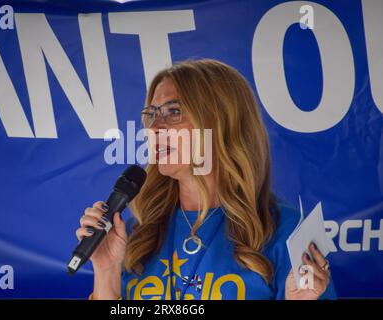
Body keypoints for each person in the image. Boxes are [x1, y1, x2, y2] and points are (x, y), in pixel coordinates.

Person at [76, 59, 336, 300]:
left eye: (173, 111)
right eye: (152, 115)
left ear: (222, 123)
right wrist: (106, 273)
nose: (155, 128)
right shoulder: (134, 233)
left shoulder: (287, 230)